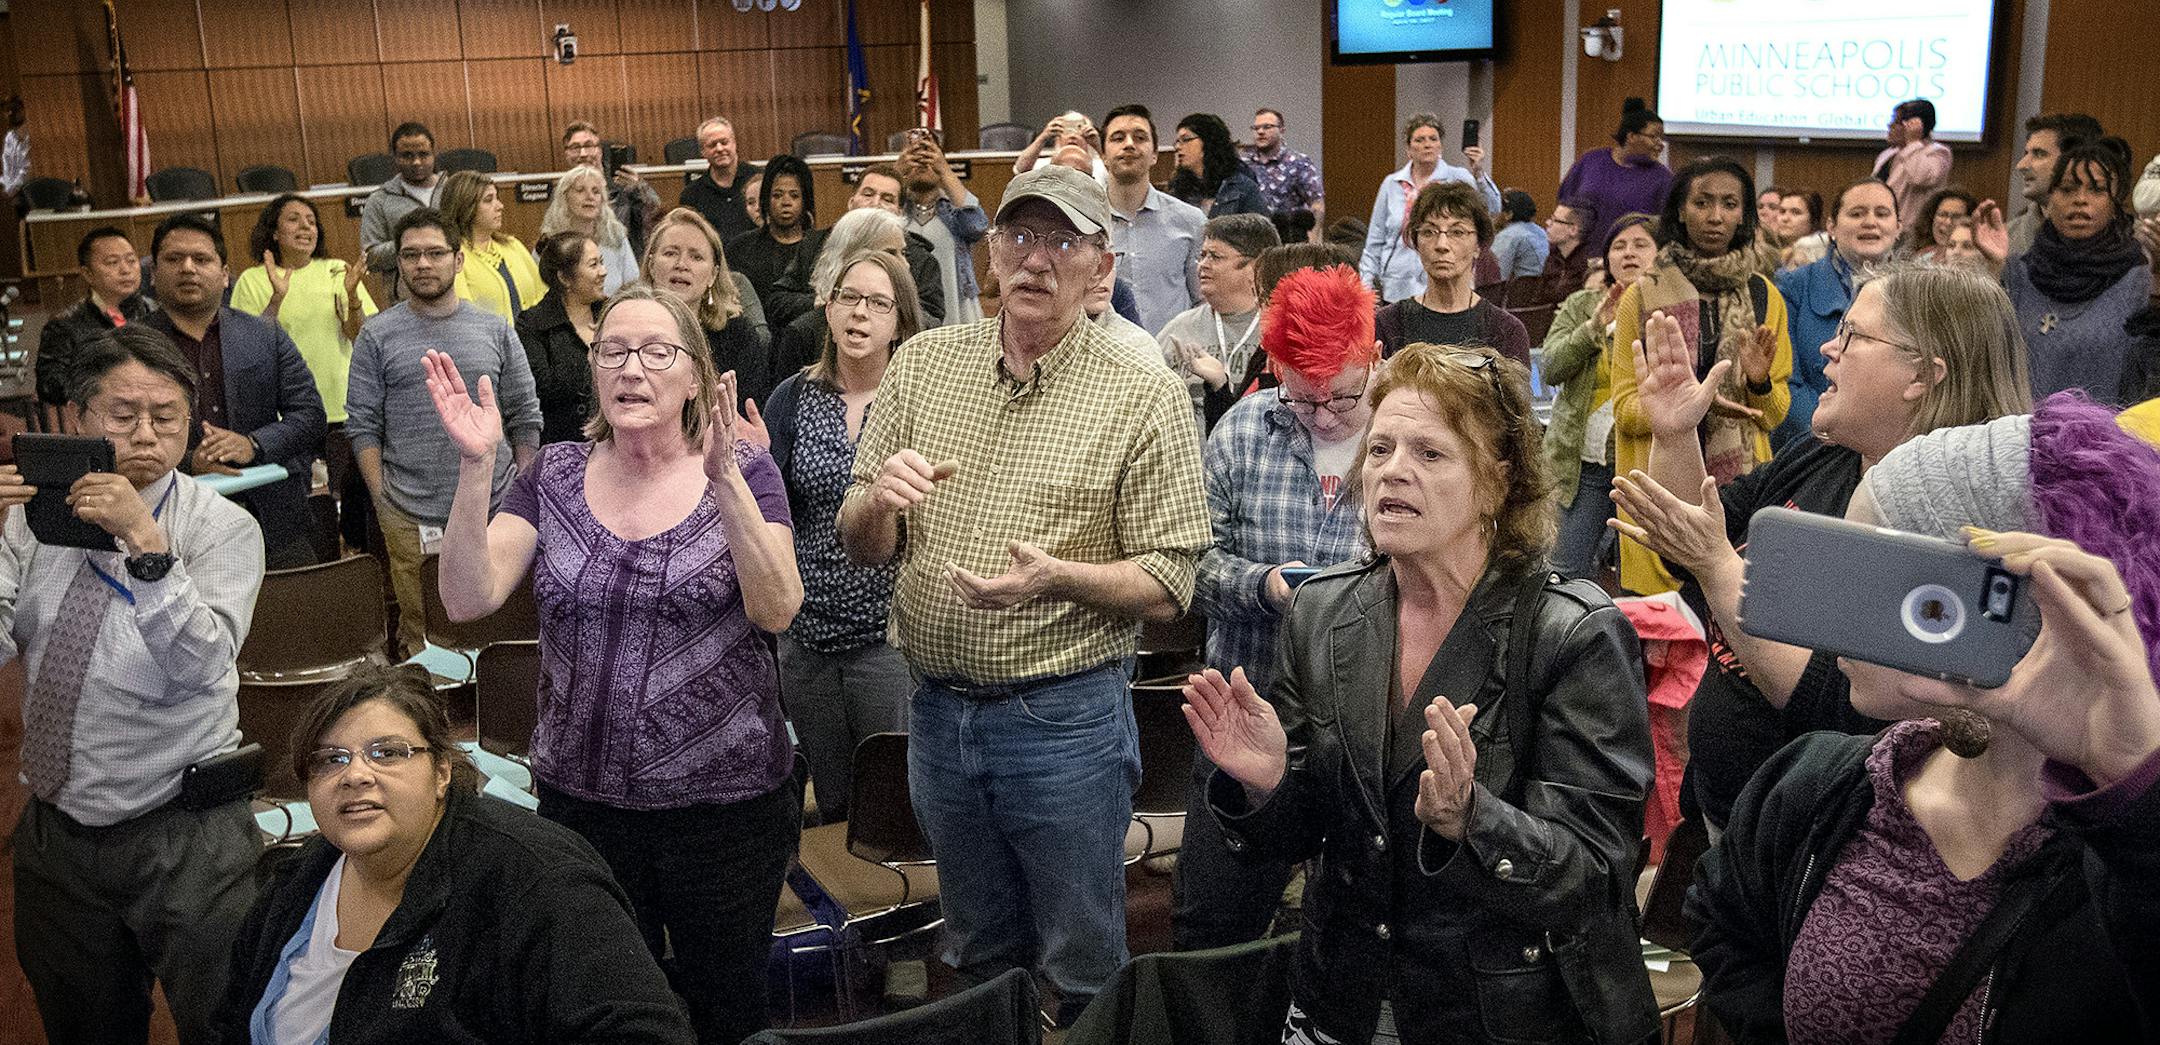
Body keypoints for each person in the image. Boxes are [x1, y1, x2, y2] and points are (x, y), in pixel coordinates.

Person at [1183, 341, 1658, 1044]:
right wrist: (1270, 783)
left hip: (1501, 1015)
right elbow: (1312, 835)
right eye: (1379, 450)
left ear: (1498, 480)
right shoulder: (1324, 611)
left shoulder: (1573, 632)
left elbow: (1593, 876)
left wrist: (1473, 819)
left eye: (1430, 454)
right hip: (1340, 994)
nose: (1392, 472)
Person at [836, 163, 1209, 1026]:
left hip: (1066, 719)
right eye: (1020, 236)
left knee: (1081, 961)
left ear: (1099, 265)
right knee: (976, 951)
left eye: (1063, 240)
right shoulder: (925, 365)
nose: (1037, 260)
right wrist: (877, 501)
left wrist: (1058, 580)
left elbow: (1171, 580)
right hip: (937, 716)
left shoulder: (1140, 386)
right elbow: (862, 545)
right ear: (991, 252)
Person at [1689, 398, 2160, 1043]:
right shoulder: (1818, 785)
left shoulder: (2121, 866)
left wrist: (2137, 801)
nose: (1833, 627)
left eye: (1870, 583)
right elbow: (1723, 921)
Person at [432, 283, 802, 1045]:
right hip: (584, 807)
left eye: (656, 351)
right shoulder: (554, 474)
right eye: (614, 351)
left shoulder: (745, 470)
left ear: (695, 373)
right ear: (595, 370)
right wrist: (476, 467)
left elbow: (777, 607)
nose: (632, 368)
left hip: (724, 811)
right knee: (601, 1009)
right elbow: (468, 596)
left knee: (726, 1009)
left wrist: (726, 477)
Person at [1608, 264, 2031, 829]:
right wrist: (1676, 433)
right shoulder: (1825, 454)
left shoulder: (1961, 527)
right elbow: (1690, 538)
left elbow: (1836, 705)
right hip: (1731, 810)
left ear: (1922, 376)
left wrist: (1717, 565)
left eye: (1854, 335)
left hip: (1826, 839)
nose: (1828, 347)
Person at [4, 325, 266, 1045]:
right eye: (122, 415)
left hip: (188, 832)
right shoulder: (26, 523)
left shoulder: (223, 527)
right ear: (80, 419)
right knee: (82, 1025)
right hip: (57, 831)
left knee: (223, 1023)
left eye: (167, 417)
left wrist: (145, 542)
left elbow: (199, 662)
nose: (146, 434)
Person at [213, 666, 697, 1044]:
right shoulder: (298, 881)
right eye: (329, 760)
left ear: (442, 771)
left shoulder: (535, 879)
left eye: (388, 753)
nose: (355, 775)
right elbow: (229, 1025)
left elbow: (644, 1032)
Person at [1172, 264, 1375, 953]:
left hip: (1365, 732)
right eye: (1303, 398)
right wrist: (1264, 586)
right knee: (1212, 925)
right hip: (1243, 712)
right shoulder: (1241, 433)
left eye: (1342, 399)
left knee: (1355, 932)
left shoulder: (1406, 447)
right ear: (1276, 366)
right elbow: (1189, 567)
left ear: (1372, 360)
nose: (1322, 416)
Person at [760, 250, 923, 825]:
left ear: (901, 321)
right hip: (806, 634)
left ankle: (909, 912)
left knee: (898, 802)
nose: (860, 314)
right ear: (826, 308)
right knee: (832, 801)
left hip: (892, 634)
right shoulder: (792, 398)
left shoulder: (919, 401)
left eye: (878, 303)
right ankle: (849, 914)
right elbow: (772, 513)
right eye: (849, 298)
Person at [346, 207, 542, 658]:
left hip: (496, 504)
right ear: (398, 263)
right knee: (422, 635)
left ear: (458, 260)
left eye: (435, 253)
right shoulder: (376, 335)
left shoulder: (495, 328)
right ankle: (430, 722)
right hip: (408, 509)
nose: (423, 264)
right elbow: (362, 426)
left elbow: (524, 414)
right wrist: (382, 499)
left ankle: (497, 717)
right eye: (411, 255)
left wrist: (523, 489)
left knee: (504, 626)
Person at [1607, 156, 1792, 595]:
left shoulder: (1765, 296)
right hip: (1659, 486)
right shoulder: (1642, 293)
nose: (1715, 216)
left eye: (1730, 204)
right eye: (1702, 202)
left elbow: (1775, 414)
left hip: (1742, 493)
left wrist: (1759, 383)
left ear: (1745, 215)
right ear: (1679, 211)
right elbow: (1624, 408)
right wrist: (1680, 409)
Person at [142, 214, 328, 570]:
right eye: (173, 259)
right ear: (153, 274)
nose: (188, 268)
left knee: (300, 620)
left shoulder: (265, 335)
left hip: (274, 519)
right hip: (172, 523)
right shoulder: (127, 349)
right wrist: (187, 460)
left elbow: (309, 417)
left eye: (202, 259)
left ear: (224, 273)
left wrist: (253, 444)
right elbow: (111, 436)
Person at [1992, 136, 2157, 403]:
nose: (2080, 200)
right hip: (2022, 434)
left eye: (2096, 190)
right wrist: (1990, 269)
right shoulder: (2017, 272)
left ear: (2115, 205)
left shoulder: (2138, 277)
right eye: (2067, 189)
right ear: (2048, 202)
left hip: (2103, 438)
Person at [1542, 212, 1657, 580]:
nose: (1628, 253)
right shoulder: (1581, 304)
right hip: (1583, 464)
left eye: (1641, 244)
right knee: (1559, 573)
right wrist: (1594, 327)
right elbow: (1551, 367)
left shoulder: (1675, 308)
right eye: (1619, 246)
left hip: (1646, 464)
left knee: (1641, 579)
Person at [232, 194, 375, 441]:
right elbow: (249, 348)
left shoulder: (337, 269)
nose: (306, 226)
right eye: (293, 220)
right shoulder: (253, 279)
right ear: (275, 233)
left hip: (342, 402)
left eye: (311, 221)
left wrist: (352, 297)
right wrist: (276, 298)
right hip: (286, 410)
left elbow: (361, 338)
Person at [1773, 179, 1902, 448]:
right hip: (1809, 448)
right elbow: (1785, 383)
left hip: (1893, 448)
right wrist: (1839, 440)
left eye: (1882, 213)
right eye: (1856, 214)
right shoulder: (1792, 286)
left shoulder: (1920, 293)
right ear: (1831, 227)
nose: (1870, 222)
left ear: (1898, 227)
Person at [1374, 181, 1533, 368]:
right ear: (1417, 243)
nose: (1442, 244)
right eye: (1429, 232)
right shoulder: (1388, 324)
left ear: (1478, 246)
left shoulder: (1506, 331)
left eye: (1457, 232)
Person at [1157, 213, 1281, 432]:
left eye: (1215, 256)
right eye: (1202, 255)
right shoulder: (1178, 329)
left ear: (1255, 266)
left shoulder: (1280, 329)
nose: (1202, 265)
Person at [1361, 113, 1499, 303]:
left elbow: (1493, 208)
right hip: (1396, 286)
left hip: (1449, 283)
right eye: (1420, 140)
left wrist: (1478, 171)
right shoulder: (1391, 184)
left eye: (1433, 139)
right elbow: (1374, 240)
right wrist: (1365, 287)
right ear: (1409, 149)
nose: (1427, 144)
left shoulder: (1457, 177)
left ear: (1440, 145)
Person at [647, 206, 770, 405]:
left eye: (696, 257)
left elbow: (748, 418)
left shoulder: (739, 337)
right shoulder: (625, 331)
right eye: (670, 253)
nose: (681, 264)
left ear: (713, 275)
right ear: (651, 266)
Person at [771, 207, 910, 379]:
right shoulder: (803, 334)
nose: (905, 264)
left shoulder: (916, 329)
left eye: (903, 253)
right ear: (854, 255)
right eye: (890, 253)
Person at [1103, 103, 1207, 333]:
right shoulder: (1084, 222)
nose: (1129, 144)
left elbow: (1203, 302)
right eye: (1118, 138)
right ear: (1103, 156)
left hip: (1171, 359)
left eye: (1140, 137)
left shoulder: (1191, 221)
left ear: (1155, 155)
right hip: (1104, 359)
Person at [36, 226, 155, 422]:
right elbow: (49, 387)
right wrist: (107, 387)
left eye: (131, 260)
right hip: (99, 420)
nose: (125, 270)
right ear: (87, 273)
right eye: (112, 263)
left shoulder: (154, 312)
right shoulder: (65, 325)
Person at [517, 230, 607, 444]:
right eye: (593, 265)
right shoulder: (533, 324)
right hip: (560, 444)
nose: (603, 272)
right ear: (564, 277)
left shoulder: (612, 313)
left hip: (612, 444)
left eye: (601, 262)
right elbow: (542, 391)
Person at [1558, 98, 1674, 254]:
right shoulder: (1591, 160)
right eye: (1654, 137)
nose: (1660, 144)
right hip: (1579, 260)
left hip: (1629, 262)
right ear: (1631, 136)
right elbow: (1564, 205)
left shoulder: (1663, 178)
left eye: (1661, 138)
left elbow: (1667, 229)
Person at [899, 128, 989, 325]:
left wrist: (945, 171)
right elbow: (870, 225)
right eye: (915, 158)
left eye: (930, 158)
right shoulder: (896, 211)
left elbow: (977, 227)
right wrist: (897, 173)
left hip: (957, 310)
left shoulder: (953, 211)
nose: (922, 164)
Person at [728, 153, 824, 334]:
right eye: (777, 195)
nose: (786, 202)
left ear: (805, 201)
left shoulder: (820, 248)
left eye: (794, 195)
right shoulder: (740, 248)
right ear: (765, 199)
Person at [844, 161, 946, 325]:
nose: (876, 203)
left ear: (899, 212)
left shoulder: (922, 260)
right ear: (851, 202)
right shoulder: (816, 244)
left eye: (887, 199)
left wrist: (884, 307)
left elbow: (932, 322)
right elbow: (787, 300)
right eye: (868, 194)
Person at [441, 170, 543, 324]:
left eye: (497, 198)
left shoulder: (512, 245)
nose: (500, 206)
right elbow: (463, 318)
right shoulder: (453, 257)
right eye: (489, 200)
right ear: (465, 206)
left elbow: (543, 295)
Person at [359, 122, 441, 299]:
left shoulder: (453, 190)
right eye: (407, 155)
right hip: (406, 305)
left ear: (434, 154)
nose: (416, 162)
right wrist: (411, 243)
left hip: (460, 298)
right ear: (394, 158)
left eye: (423, 154)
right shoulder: (379, 200)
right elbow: (370, 258)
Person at [2005, 112, 2103, 256]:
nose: (2021, 165)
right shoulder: (2003, 239)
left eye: (2039, 154)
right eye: (2026, 154)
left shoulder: (2131, 238)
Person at [538, 164, 639, 294]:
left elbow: (633, 285)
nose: (590, 197)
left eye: (596, 192)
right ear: (564, 197)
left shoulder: (615, 236)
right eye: (580, 190)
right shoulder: (548, 242)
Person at [562, 119, 660, 253]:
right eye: (575, 148)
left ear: (600, 151)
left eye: (589, 145)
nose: (583, 154)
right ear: (566, 154)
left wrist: (639, 189)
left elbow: (657, 218)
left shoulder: (625, 185)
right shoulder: (562, 192)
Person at [1241, 107, 1324, 234]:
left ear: (1282, 130)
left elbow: (1317, 205)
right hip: (1253, 238)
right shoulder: (1244, 164)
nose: (1260, 132)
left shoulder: (1298, 162)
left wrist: (1313, 242)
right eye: (1256, 128)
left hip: (1289, 239)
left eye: (1267, 127)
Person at [678, 116, 762, 243]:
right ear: (702, 151)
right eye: (712, 145)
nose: (719, 149)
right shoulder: (691, 195)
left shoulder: (760, 181)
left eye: (724, 142)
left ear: (734, 143)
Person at [1168, 113, 1266, 218]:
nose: (1178, 147)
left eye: (1186, 139)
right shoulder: (1178, 188)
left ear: (1209, 142)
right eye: (1177, 142)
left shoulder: (1243, 188)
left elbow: (1260, 232)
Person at [1874, 98, 1953, 222]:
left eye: (1897, 122)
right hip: (1882, 223)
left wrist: (1913, 142)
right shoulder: (1888, 154)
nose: (1890, 125)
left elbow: (1919, 178)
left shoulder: (1938, 152)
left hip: (1911, 231)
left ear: (1914, 126)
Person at [1525, 197, 1598, 309]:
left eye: (1555, 220)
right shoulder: (1554, 256)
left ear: (1573, 230)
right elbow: (1539, 297)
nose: (1548, 222)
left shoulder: (1589, 265)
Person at [1012, 110, 1109, 184]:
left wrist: (1097, 145)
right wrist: (1043, 137)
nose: (1072, 136)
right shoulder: (1043, 164)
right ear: (1057, 139)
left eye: (1079, 130)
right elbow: (1020, 170)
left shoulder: (1100, 165)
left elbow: (1117, 175)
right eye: (1067, 130)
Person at [1903, 185, 1975, 262]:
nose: (1948, 222)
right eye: (1942, 214)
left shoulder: (1971, 260)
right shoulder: (1920, 256)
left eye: (1956, 216)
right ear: (1931, 217)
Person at [1490, 189, 1549, 280]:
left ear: (1509, 214)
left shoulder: (1508, 236)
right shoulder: (1540, 231)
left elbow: (1495, 277)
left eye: (1498, 210)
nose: (1494, 216)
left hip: (1525, 290)